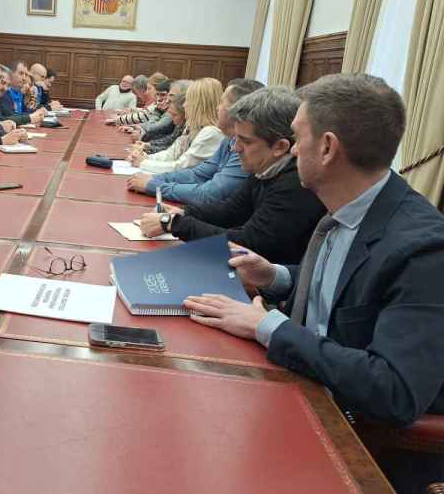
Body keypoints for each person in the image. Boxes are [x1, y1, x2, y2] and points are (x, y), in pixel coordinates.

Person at [182, 74, 444, 494]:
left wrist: (266, 327)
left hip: (363, 444)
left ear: (326, 147)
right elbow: (342, 290)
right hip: (301, 389)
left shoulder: (423, 249)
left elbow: (394, 390)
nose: (292, 147)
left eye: (297, 136)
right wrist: (276, 276)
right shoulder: (346, 210)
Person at [140, 87, 325, 265]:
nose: (236, 148)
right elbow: (230, 210)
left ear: (280, 147)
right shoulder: (264, 167)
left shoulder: (295, 184)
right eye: (236, 138)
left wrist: (174, 224)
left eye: (245, 141)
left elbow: (250, 243)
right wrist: (184, 213)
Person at [126, 78, 262, 207]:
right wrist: (153, 179)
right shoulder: (228, 139)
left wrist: (154, 184)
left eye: (221, 103)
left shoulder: (215, 134)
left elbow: (211, 192)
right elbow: (196, 174)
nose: (184, 105)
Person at [129, 78, 226, 174]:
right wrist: (146, 157)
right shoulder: (193, 127)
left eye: (188, 100)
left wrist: (143, 163)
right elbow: (172, 153)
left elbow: (181, 166)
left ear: (200, 105)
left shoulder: (211, 132)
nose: (184, 105)